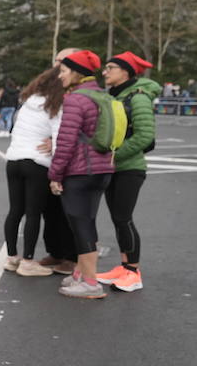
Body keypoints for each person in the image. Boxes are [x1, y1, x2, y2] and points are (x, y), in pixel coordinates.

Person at [49, 51, 115, 299]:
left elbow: (66, 142)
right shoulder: (100, 95)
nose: (61, 75)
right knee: (87, 221)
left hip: (80, 171)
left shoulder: (76, 100)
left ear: (77, 73)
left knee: (81, 225)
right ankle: (80, 273)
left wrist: (55, 174)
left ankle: (90, 282)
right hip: (101, 168)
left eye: (64, 71)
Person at [96, 51, 159, 292]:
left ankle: (133, 272)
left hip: (129, 168)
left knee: (124, 218)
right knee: (118, 219)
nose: (105, 72)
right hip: (116, 167)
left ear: (125, 72)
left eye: (110, 67)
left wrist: (115, 156)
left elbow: (145, 135)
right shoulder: (117, 95)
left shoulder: (138, 97)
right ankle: (124, 267)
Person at [1, 66, 66, 277]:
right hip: (37, 161)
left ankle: (12, 258)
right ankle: (28, 261)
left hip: (13, 158)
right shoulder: (55, 105)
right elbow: (60, 137)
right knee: (33, 212)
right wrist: (53, 146)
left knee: (14, 211)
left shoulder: (28, 102)